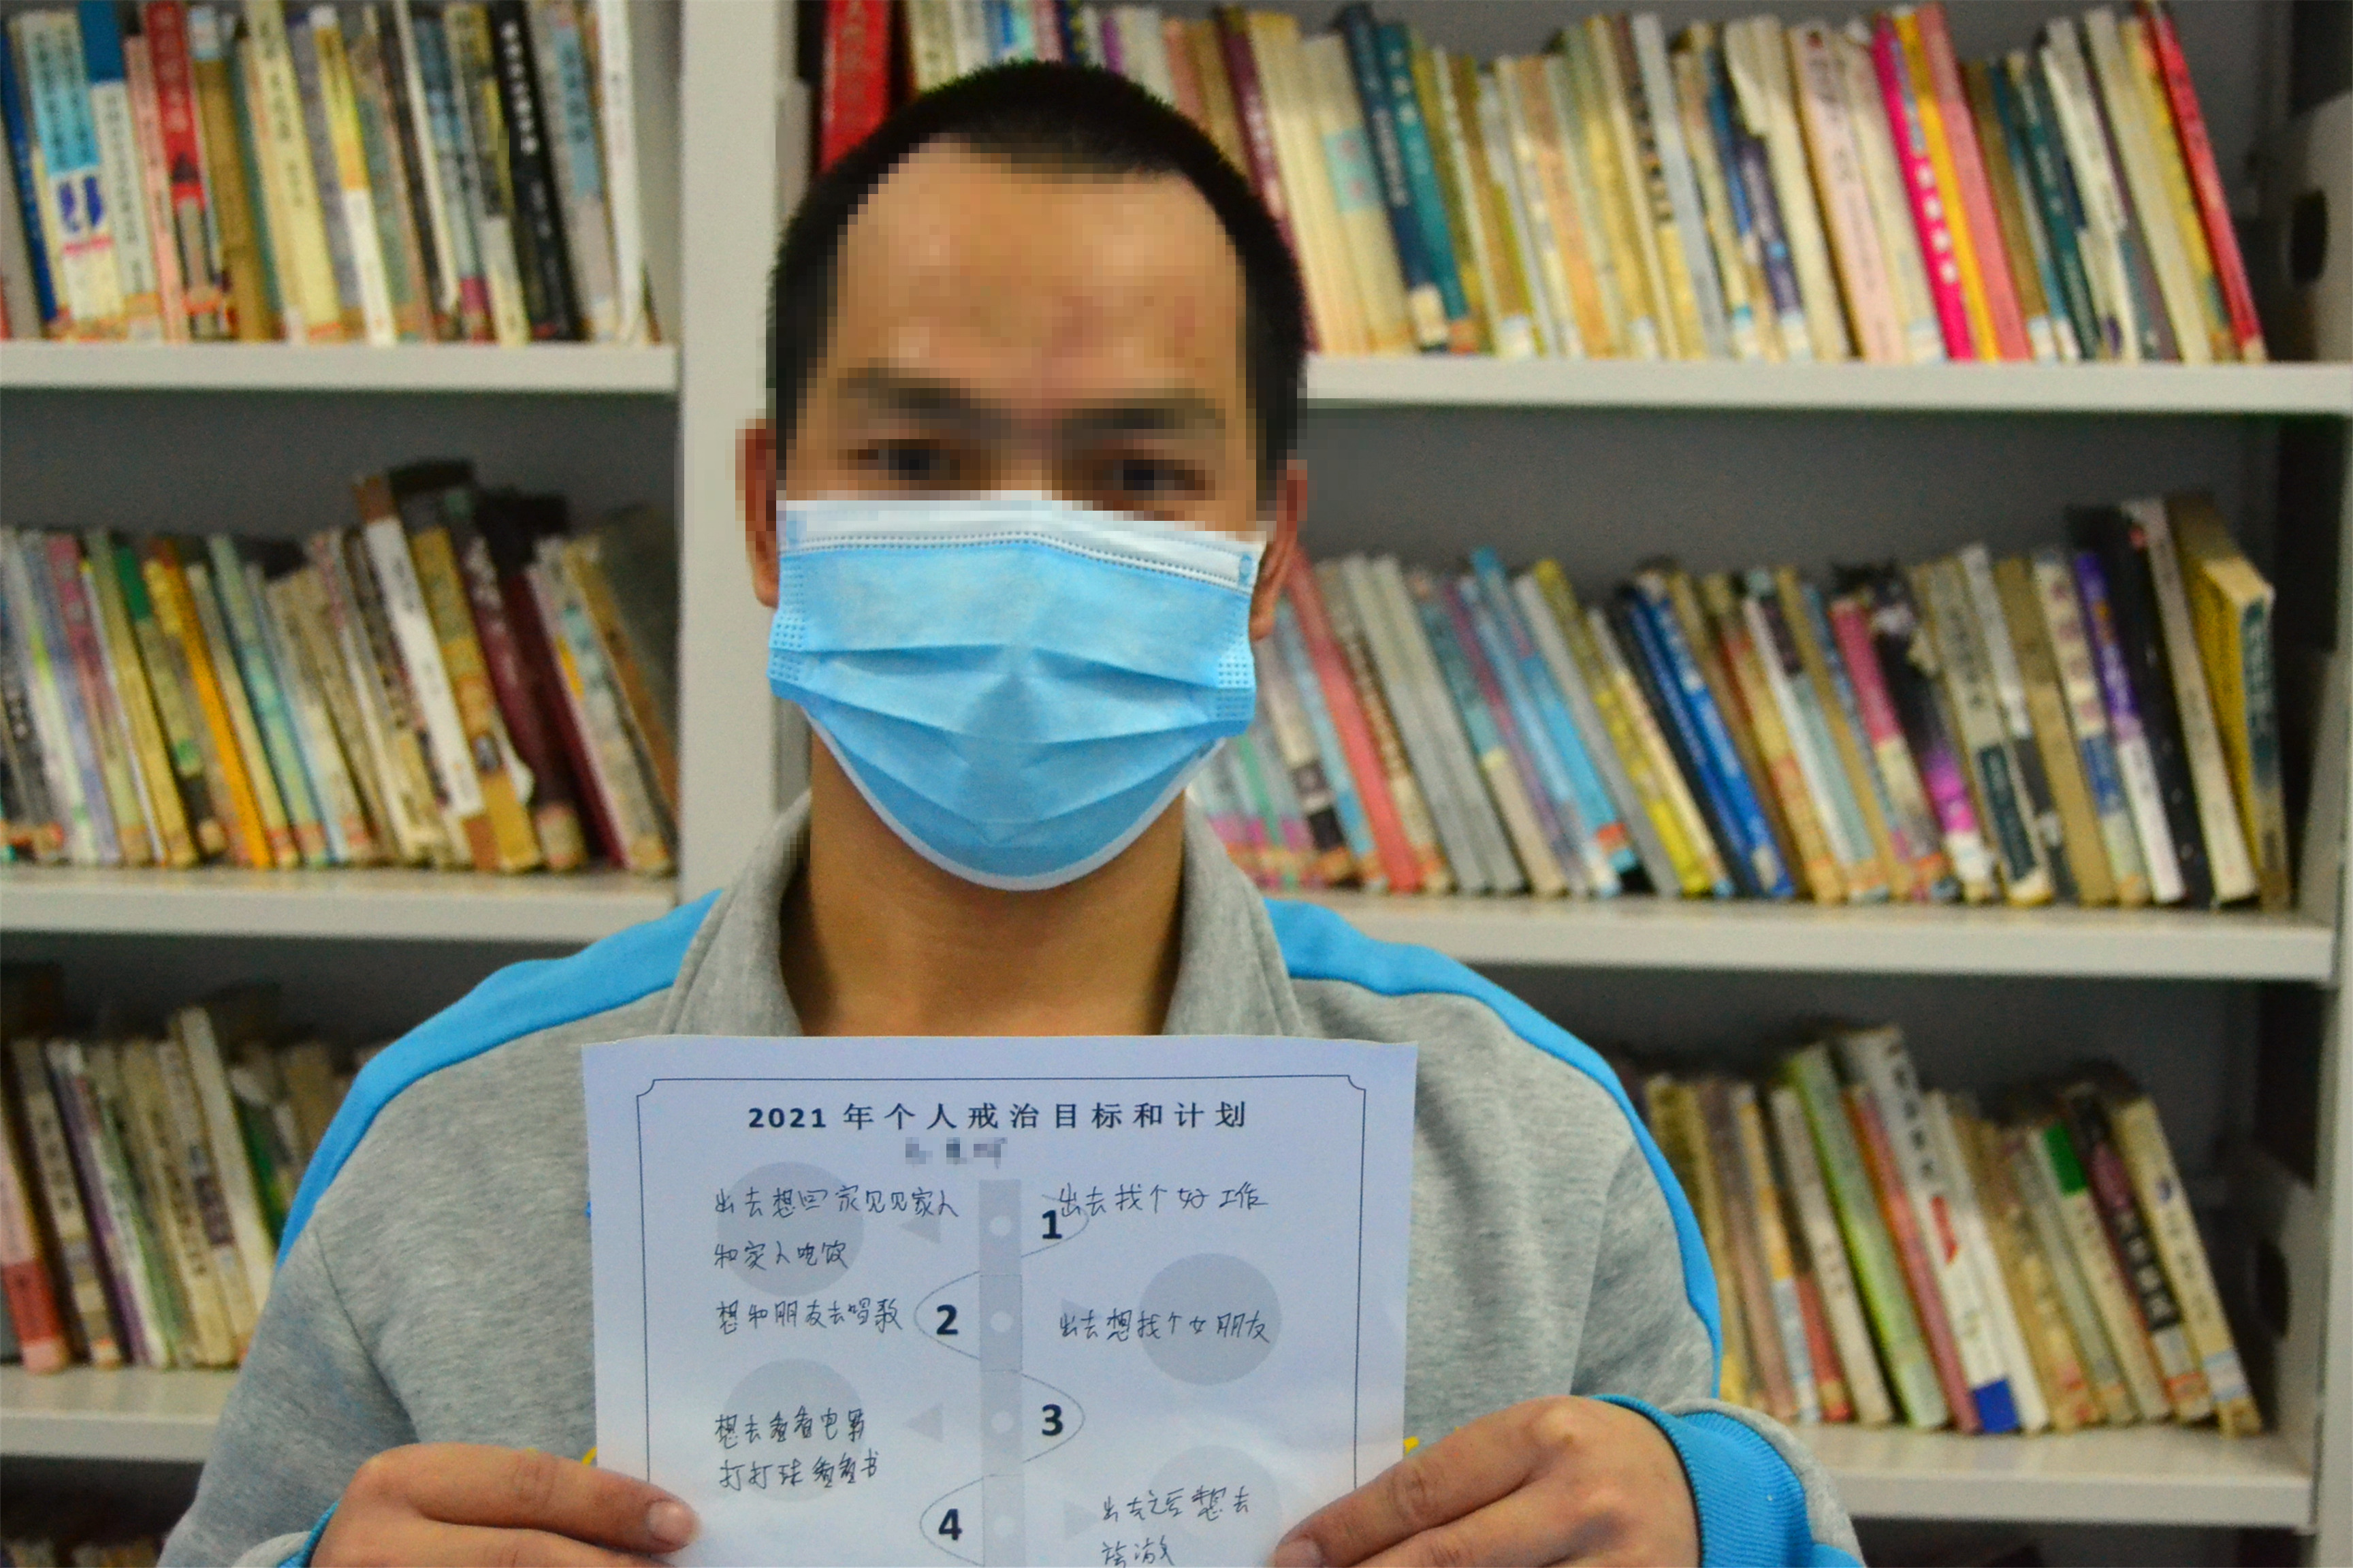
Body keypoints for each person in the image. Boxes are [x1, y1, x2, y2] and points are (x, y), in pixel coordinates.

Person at [163, 63, 1859, 1568]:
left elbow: (1714, 1528)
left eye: (1138, 478)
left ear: (1268, 553)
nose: (1026, 551)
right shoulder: (450, 1143)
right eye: (915, 462)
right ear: (767, 511)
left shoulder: (1527, 1154)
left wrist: (1729, 1520)